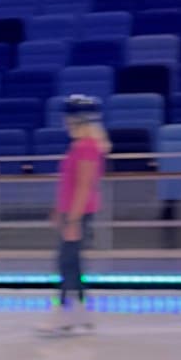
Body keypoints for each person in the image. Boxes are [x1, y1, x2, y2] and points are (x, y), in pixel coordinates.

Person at [41, 92, 109, 336]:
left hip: (78, 213)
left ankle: (65, 312)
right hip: (71, 211)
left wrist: (73, 219)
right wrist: (60, 210)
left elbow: (84, 185)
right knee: (71, 263)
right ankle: (79, 311)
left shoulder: (88, 147)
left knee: (66, 263)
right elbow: (69, 185)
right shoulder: (79, 145)